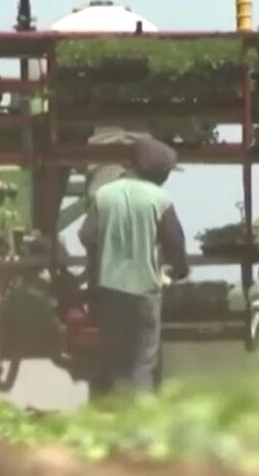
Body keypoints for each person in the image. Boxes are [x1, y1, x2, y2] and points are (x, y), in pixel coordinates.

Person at [78, 137, 189, 396]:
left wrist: (102, 256)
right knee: (143, 361)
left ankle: (113, 415)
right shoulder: (159, 199)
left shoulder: (104, 195)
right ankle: (140, 420)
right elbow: (175, 243)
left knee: (114, 359)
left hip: (109, 290)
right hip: (145, 292)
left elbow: (86, 236)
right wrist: (180, 270)